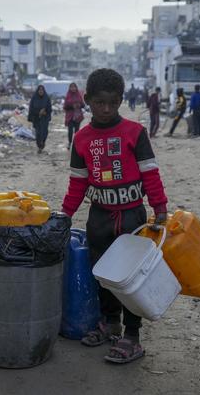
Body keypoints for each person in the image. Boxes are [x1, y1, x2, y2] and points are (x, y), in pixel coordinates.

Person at [61, 68, 169, 364]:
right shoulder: (81, 139)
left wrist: (159, 208)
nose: (106, 109)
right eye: (99, 103)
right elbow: (78, 183)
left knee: (130, 278)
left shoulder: (136, 133)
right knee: (103, 274)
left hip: (132, 217)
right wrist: (64, 215)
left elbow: (150, 174)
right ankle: (111, 323)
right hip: (99, 218)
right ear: (87, 101)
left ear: (121, 100)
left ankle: (132, 336)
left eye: (112, 102)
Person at [28, 85, 52, 153]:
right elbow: (31, 108)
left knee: (44, 132)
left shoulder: (46, 98)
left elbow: (50, 108)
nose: (41, 91)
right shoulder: (34, 98)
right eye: (40, 90)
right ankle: (39, 146)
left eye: (42, 90)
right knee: (38, 133)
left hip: (45, 118)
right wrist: (38, 112)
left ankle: (43, 142)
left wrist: (45, 112)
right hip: (36, 118)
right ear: (37, 91)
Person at [63, 82, 85, 149]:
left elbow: (83, 105)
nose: (73, 88)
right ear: (70, 88)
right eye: (71, 87)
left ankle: (76, 143)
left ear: (76, 88)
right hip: (70, 116)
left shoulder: (78, 95)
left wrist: (79, 105)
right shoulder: (68, 95)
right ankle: (70, 143)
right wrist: (72, 106)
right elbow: (65, 107)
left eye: (74, 87)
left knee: (77, 131)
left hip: (77, 116)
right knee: (70, 130)